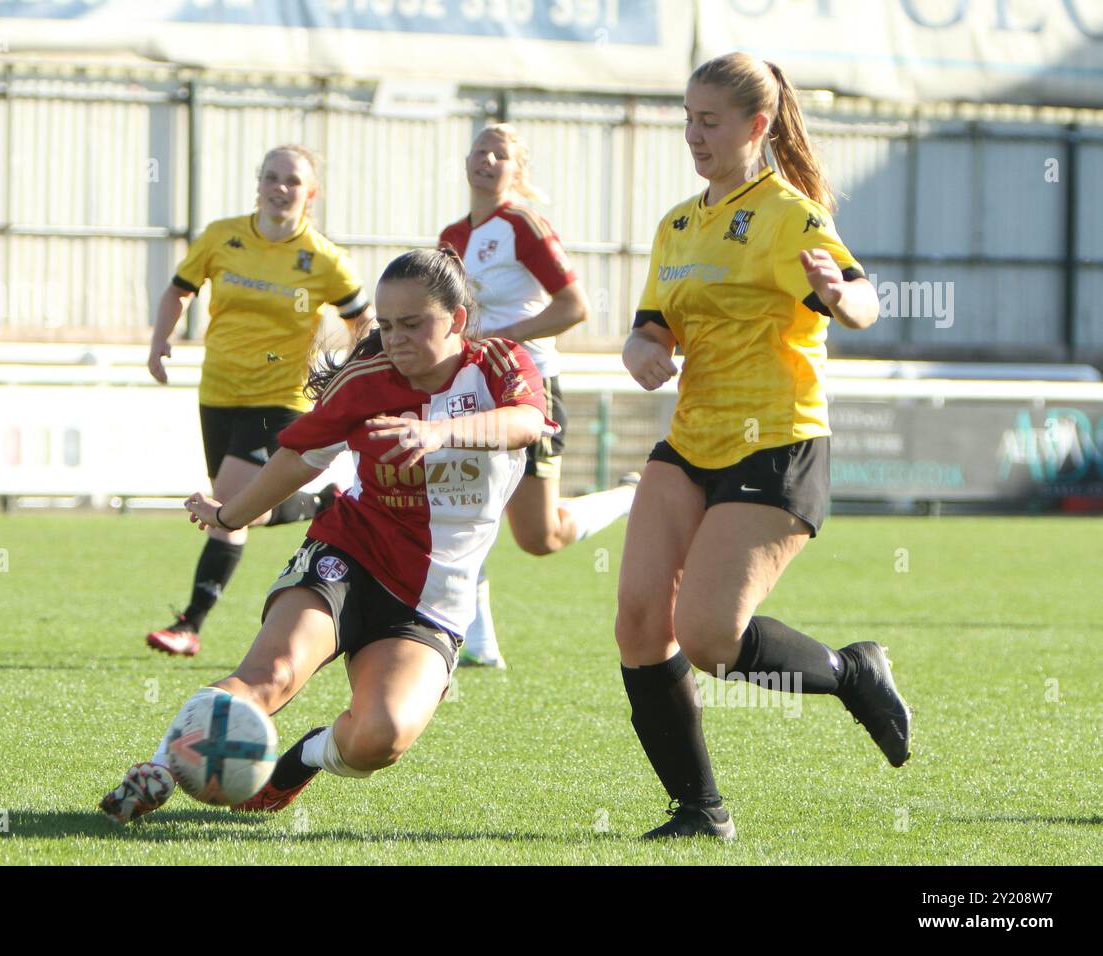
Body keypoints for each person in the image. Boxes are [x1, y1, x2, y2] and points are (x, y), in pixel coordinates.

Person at [101, 248, 553, 822]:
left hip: (434, 598)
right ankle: (160, 768)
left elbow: (527, 424)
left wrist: (441, 432)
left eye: (413, 324)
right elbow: (297, 461)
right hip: (348, 554)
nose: (395, 339)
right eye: (386, 326)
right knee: (271, 675)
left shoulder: (498, 363)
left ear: (458, 320)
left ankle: (303, 760)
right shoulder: (365, 383)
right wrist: (229, 516)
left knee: (379, 738)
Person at [616, 52, 911, 840]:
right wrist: (640, 349)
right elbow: (655, 324)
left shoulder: (790, 216)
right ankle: (699, 810)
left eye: (708, 120)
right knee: (642, 623)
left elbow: (862, 300)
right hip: (690, 443)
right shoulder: (677, 223)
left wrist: (843, 297)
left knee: (712, 638)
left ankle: (852, 674)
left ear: (757, 126)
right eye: (686, 117)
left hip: (776, 446)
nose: (693, 134)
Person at [144, 144, 372, 657]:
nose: (280, 188)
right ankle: (322, 501)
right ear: (258, 183)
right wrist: (161, 340)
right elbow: (179, 289)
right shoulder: (221, 236)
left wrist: (357, 372)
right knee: (234, 511)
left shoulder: (325, 259)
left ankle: (189, 624)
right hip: (218, 391)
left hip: (280, 395)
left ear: (310, 193)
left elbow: (364, 321)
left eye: (292, 181)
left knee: (227, 506)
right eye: (271, 177)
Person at [439, 123, 637, 669]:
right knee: (460, 505)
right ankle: (475, 643)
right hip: (470, 386)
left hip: (529, 385)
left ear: (516, 172)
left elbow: (574, 306)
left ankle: (628, 498)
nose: (486, 159)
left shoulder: (522, 224)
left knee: (539, 536)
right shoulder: (450, 236)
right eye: (479, 149)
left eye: (499, 154)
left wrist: (499, 339)